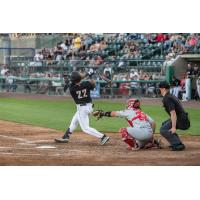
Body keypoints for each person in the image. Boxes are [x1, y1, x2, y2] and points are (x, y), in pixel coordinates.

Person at [55, 71, 110, 145]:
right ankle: (66, 137)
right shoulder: (87, 83)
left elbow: (76, 80)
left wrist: (87, 74)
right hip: (89, 106)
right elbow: (92, 84)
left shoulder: (72, 88)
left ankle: (103, 137)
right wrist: (90, 76)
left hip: (82, 109)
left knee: (85, 128)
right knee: (74, 121)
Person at [92, 98, 162, 150]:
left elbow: (114, 114)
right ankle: (151, 142)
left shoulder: (129, 111)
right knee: (140, 144)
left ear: (130, 104)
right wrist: (151, 135)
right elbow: (153, 123)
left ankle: (135, 147)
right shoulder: (141, 112)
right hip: (148, 134)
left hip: (142, 134)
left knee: (123, 130)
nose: (127, 104)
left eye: (128, 103)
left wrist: (103, 113)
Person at [158, 81, 190, 151]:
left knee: (163, 130)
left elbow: (173, 113)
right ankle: (175, 141)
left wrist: (173, 127)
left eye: (160, 88)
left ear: (163, 89)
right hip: (182, 117)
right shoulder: (170, 95)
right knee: (164, 124)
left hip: (181, 120)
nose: (159, 90)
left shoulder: (167, 98)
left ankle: (178, 144)